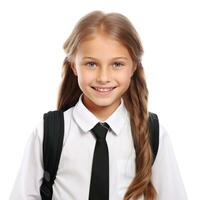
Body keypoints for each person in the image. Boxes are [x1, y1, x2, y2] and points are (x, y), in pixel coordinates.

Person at [10, 10, 187, 200]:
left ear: (134, 66)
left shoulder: (153, 132)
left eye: (117, 64)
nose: (103, 78)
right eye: (91, 64)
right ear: (74, 66)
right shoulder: (48, 132)